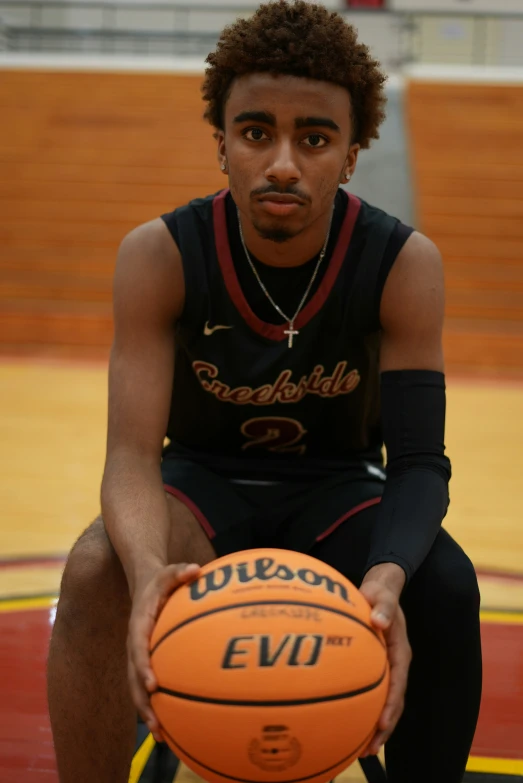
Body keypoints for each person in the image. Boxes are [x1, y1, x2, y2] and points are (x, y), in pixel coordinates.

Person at [47, 2, 482, 782]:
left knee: (443, 583)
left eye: (313, 138)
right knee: (93, 570)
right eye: (256, 133)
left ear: (350, 155)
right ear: (222, 144)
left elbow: (419, 461)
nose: (282, 162)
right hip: (199, 489)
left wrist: (383, 579)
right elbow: (131, 456)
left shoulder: (401, 262)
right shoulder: (159, 254)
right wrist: (147, 569)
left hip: (338, 490)